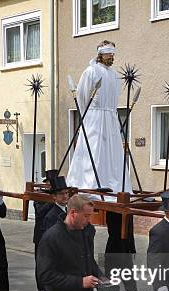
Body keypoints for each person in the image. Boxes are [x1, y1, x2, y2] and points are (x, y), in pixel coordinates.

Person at [66, 40, 131, 194]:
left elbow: (115, 97)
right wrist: (87, 116)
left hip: (110, 116)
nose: (112, 56)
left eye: (113, 53)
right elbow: (82, 96)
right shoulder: (91, 71)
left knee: (112, 152)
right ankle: (90, 184)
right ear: (101, 54)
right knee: (94, 150)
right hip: (95, 116)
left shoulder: (114, 75)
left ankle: (114, 185)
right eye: (109, 53)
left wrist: (112, 114)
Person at [33, 170, 57, 291]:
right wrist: (51, 202)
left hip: (55, 234)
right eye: (50, 182)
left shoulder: (57, 195)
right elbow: (40, 212)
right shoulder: (40, 196)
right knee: (41, 261)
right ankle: (41, 287)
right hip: (41, 234)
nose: (51, 185)